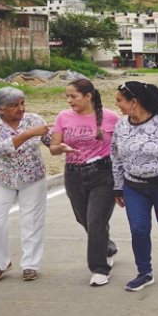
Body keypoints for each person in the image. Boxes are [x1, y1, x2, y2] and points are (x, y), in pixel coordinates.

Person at [111, 81, 158, 291]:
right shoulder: (121, 125)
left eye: (120, 100)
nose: (117, 104)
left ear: (134, 101)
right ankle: (144, 272)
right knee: (138, 229)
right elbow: (116, 157)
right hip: (134, 186)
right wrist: (118, 187)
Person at [50, 78, 119, 287]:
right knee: (84, 220)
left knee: (96, 220)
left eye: (74, 96)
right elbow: (53, 148)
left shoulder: (110, 118)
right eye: (67, 97)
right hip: (73, 174)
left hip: (103, 174)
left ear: (88, 96)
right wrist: (62, 148)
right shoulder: (63, 117)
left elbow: (121, 148)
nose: (69, 101)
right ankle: (107, 247)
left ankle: (99, 268)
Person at [0, 87, 51, 282]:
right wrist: (29, 134)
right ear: (0, 108)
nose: (21, 108)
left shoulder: (35, 119)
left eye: (22, 103)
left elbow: (50, 140)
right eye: (14, 105)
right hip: (2, 178)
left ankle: (30, 265)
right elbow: (0, 148)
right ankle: (1, 263)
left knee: (32, 222)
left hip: (33, 178)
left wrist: (62, 143)